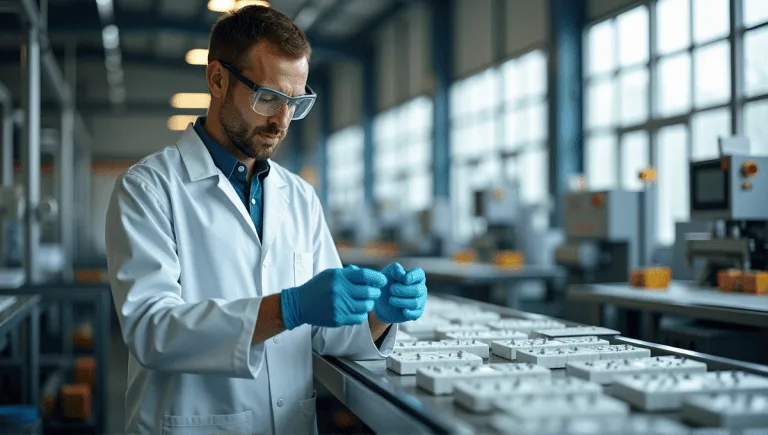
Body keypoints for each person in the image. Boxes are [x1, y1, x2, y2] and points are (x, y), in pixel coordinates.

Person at [104, 5, 428, 435]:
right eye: (269, 97)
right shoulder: (149, 188)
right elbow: (151, 331)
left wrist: (379, 315)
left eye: (296, 102)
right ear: (217, 79)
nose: (282, 121)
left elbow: (326, 335)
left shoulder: (299, 197)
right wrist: (289, 307)